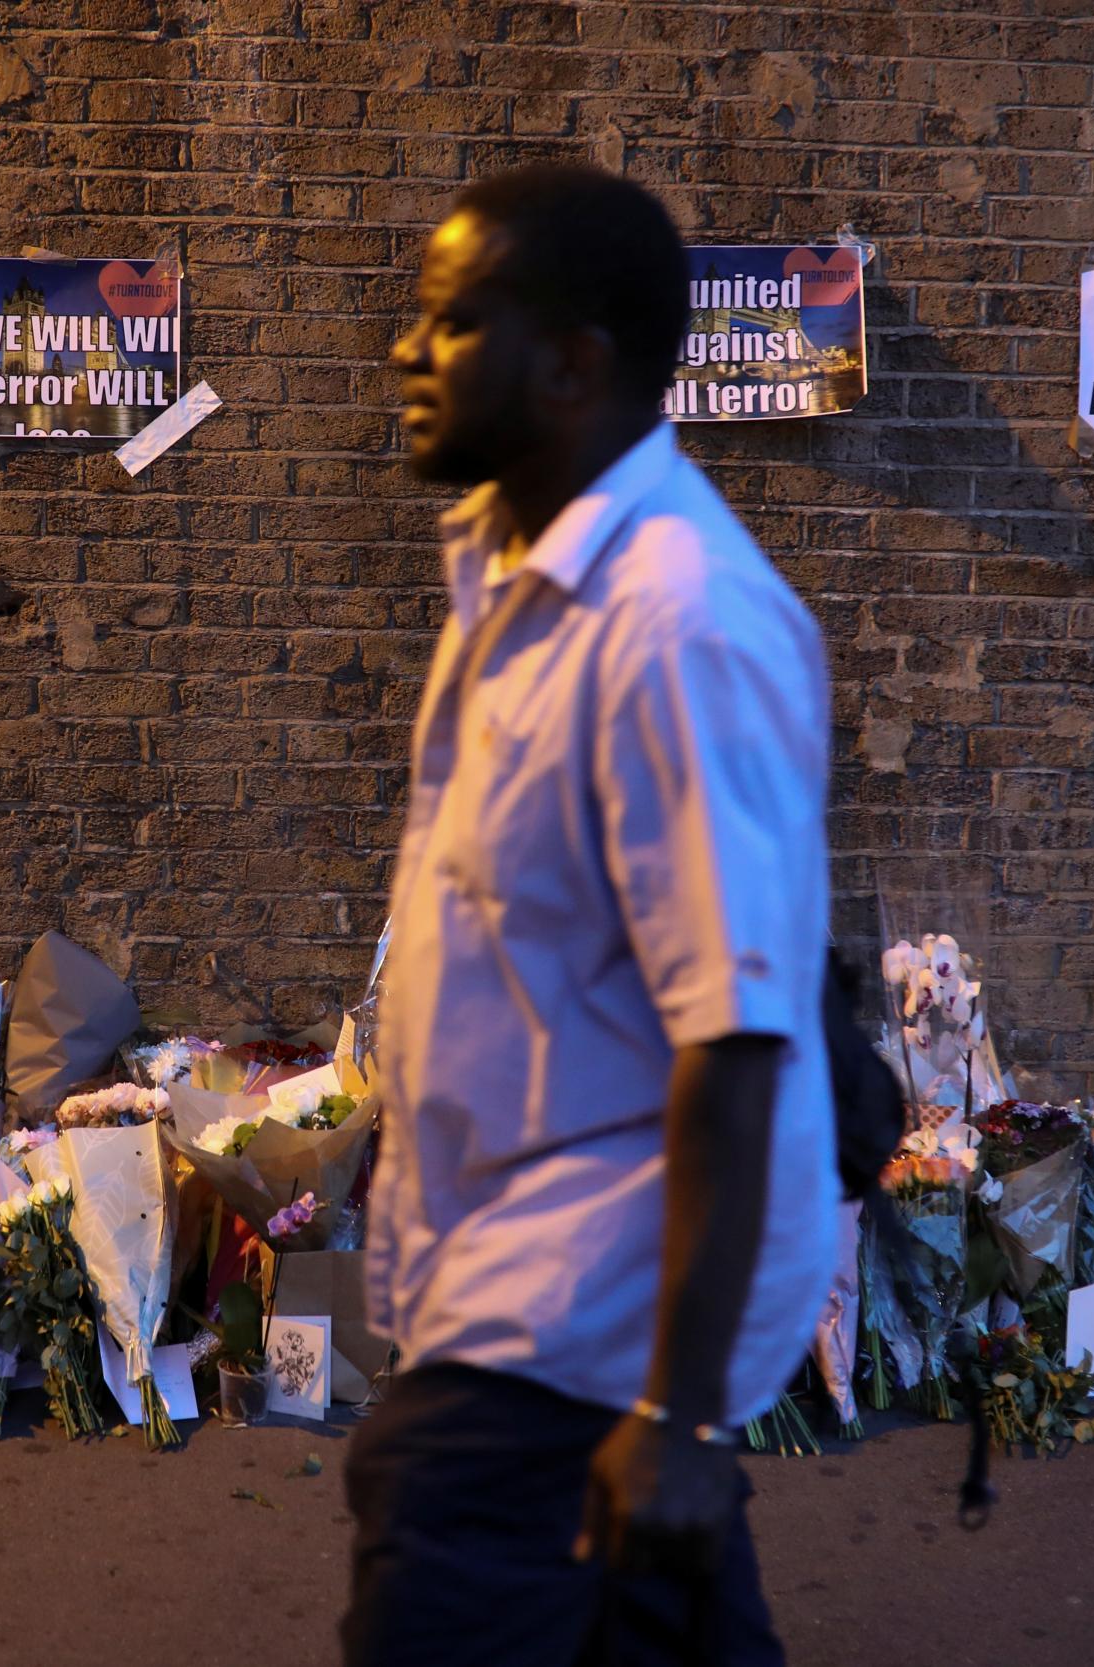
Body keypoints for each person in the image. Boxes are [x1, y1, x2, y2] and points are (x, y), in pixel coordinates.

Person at [346, 165, 837, 1667]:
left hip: (566, 1333)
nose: (405, 353)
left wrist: (679, 1417)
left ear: (572, 363)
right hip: (524, 1297)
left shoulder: (674, 622)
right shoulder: (514, 579)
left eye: (452, 323)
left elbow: (739, 1039)